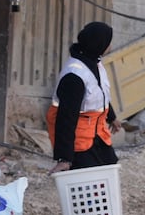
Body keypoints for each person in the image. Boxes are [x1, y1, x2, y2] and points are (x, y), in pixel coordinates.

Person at [47, 22, 118, 173]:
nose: (110, 45)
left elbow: (100, 94)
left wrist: (112, 117)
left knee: (109, 169)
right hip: (79, 143)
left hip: (97, 136)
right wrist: (64, 159)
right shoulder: (74, 76)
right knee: (89, 182)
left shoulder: (96, 64)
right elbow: (65, 118)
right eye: (108, 42)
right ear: (99, 44)